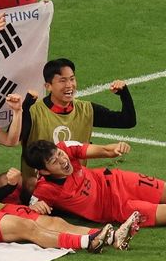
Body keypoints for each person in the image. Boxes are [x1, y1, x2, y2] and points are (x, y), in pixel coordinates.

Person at [0, 101, 138, 252]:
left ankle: (111, 236)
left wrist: (8, 185)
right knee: (25, 227)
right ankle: (87, 242)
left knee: (52, 221)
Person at [26, 139, 166, 227]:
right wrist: (34, 207)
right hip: (118, 210)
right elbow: (30, 212)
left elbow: (99, 150)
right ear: (44, 171)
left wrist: (115, 148)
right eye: (54, 161)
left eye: (60, 154)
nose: (63, 160)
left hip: (119, 181)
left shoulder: (67, 148)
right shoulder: (46, 190)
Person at [20, 58, 136, 190]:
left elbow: (127, 121)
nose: (69, 85)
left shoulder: (86, 110)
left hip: (77, 187)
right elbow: (16, 137)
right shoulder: (34, 111)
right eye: (62, 81)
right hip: (39, 188)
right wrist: (24, 107)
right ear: (48, 86)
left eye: (72, 79)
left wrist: (124, 93)